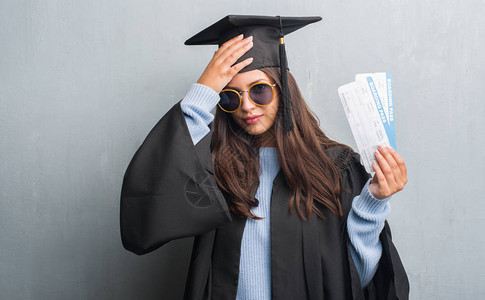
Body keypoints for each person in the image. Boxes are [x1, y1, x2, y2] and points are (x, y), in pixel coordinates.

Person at [120, 15, 409, 300]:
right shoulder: (214, 168)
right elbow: (147, 212)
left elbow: (354, 280)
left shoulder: (335, 167)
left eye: (259, 90)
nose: (246, 106)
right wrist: (203, 92)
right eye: (230, 96)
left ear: (284, 89)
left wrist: (373, 203)